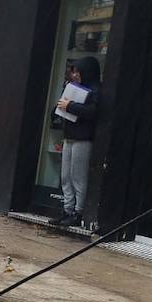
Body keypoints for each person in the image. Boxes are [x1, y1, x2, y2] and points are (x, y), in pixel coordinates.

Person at [55, 56, 101, 227]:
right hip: (70, 135)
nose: (75, 75)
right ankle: (67, 209)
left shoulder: (95, 89)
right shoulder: (74, 87)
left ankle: (78, 211)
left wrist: (70, 106)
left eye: (78, 72)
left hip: (83, 138)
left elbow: (93, 111)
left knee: (78, 176)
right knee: (66, 175)